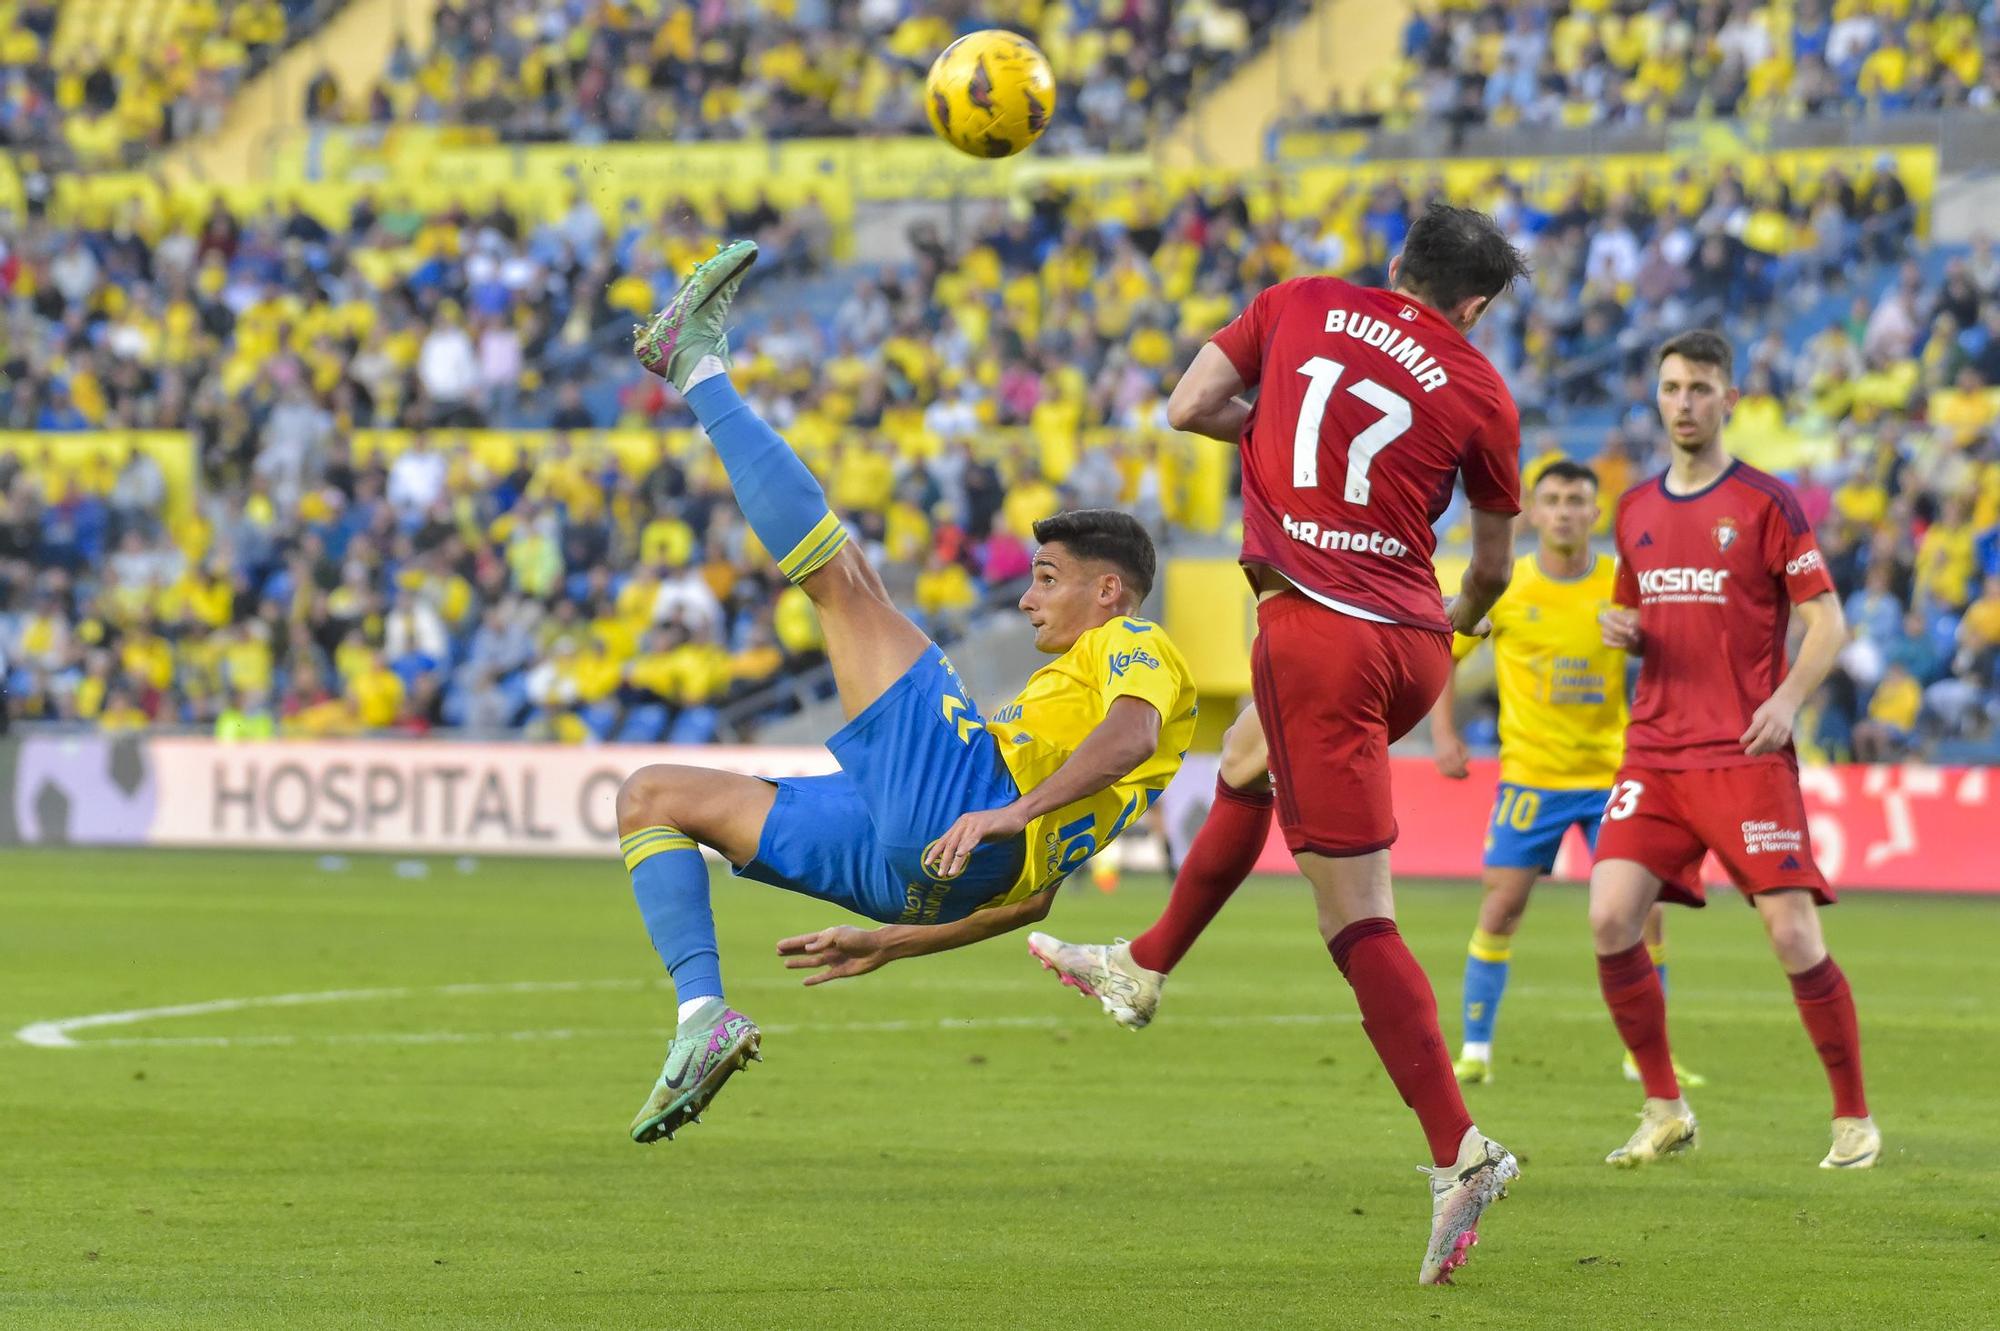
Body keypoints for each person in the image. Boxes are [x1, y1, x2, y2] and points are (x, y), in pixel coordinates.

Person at [1030, 203, 1529, 1285]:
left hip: (1315, 632)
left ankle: (1459, 1147)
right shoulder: (1484, 391)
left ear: (1394, 264)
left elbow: (1184, 404)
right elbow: (1489, 564)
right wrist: (1453, 624)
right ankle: (1144, 963)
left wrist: (1270, 428)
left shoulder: (1298, 302)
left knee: (1354, 914)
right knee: (1247, 760)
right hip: (1409, 639)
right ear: (1473, 305)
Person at [614, 240, 1196, 1147]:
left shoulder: (1136, 644)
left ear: (1107, 590)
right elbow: (1034, 904)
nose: (1026, 596)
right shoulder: (1072, 691)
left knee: (844, 581)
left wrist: (1011, 813)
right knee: (651, 797)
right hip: (928, 883)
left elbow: (1128, 734)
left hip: (973, 811)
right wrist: (891, 941)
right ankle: (701, 1017)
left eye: (1046, 578)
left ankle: (691, 361)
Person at [1592, 329, 1876, 1170]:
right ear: (1658, 395)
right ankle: (1664, 1105)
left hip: (1743, 753)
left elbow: (1828, 622)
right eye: (1672, 386)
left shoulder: (1766, 502)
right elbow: (1641, 615)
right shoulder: (1635, 508)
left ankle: (1854, 1118)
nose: (1684, 401)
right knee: (1610, 917)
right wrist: (1627, 633)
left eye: (1700, 387)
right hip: (1655, 754)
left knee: (1792, 936)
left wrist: (1788, 699)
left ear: (1730, 400)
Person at [1429, 460, 1703, 1090]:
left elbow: (1675, 654)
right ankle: (1474, 1050)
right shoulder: (1506, 586)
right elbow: (1442, 649)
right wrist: (1443, 734)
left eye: (1576, 500)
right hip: (1531, 777)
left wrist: (1641, 640)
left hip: (1612, 777)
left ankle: (1646, 1057)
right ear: (1532, 509)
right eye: (1551, 500)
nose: (1563, 511)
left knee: (1646, 914)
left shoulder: (1621, 584)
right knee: (1501, 907)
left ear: (1594, 513)